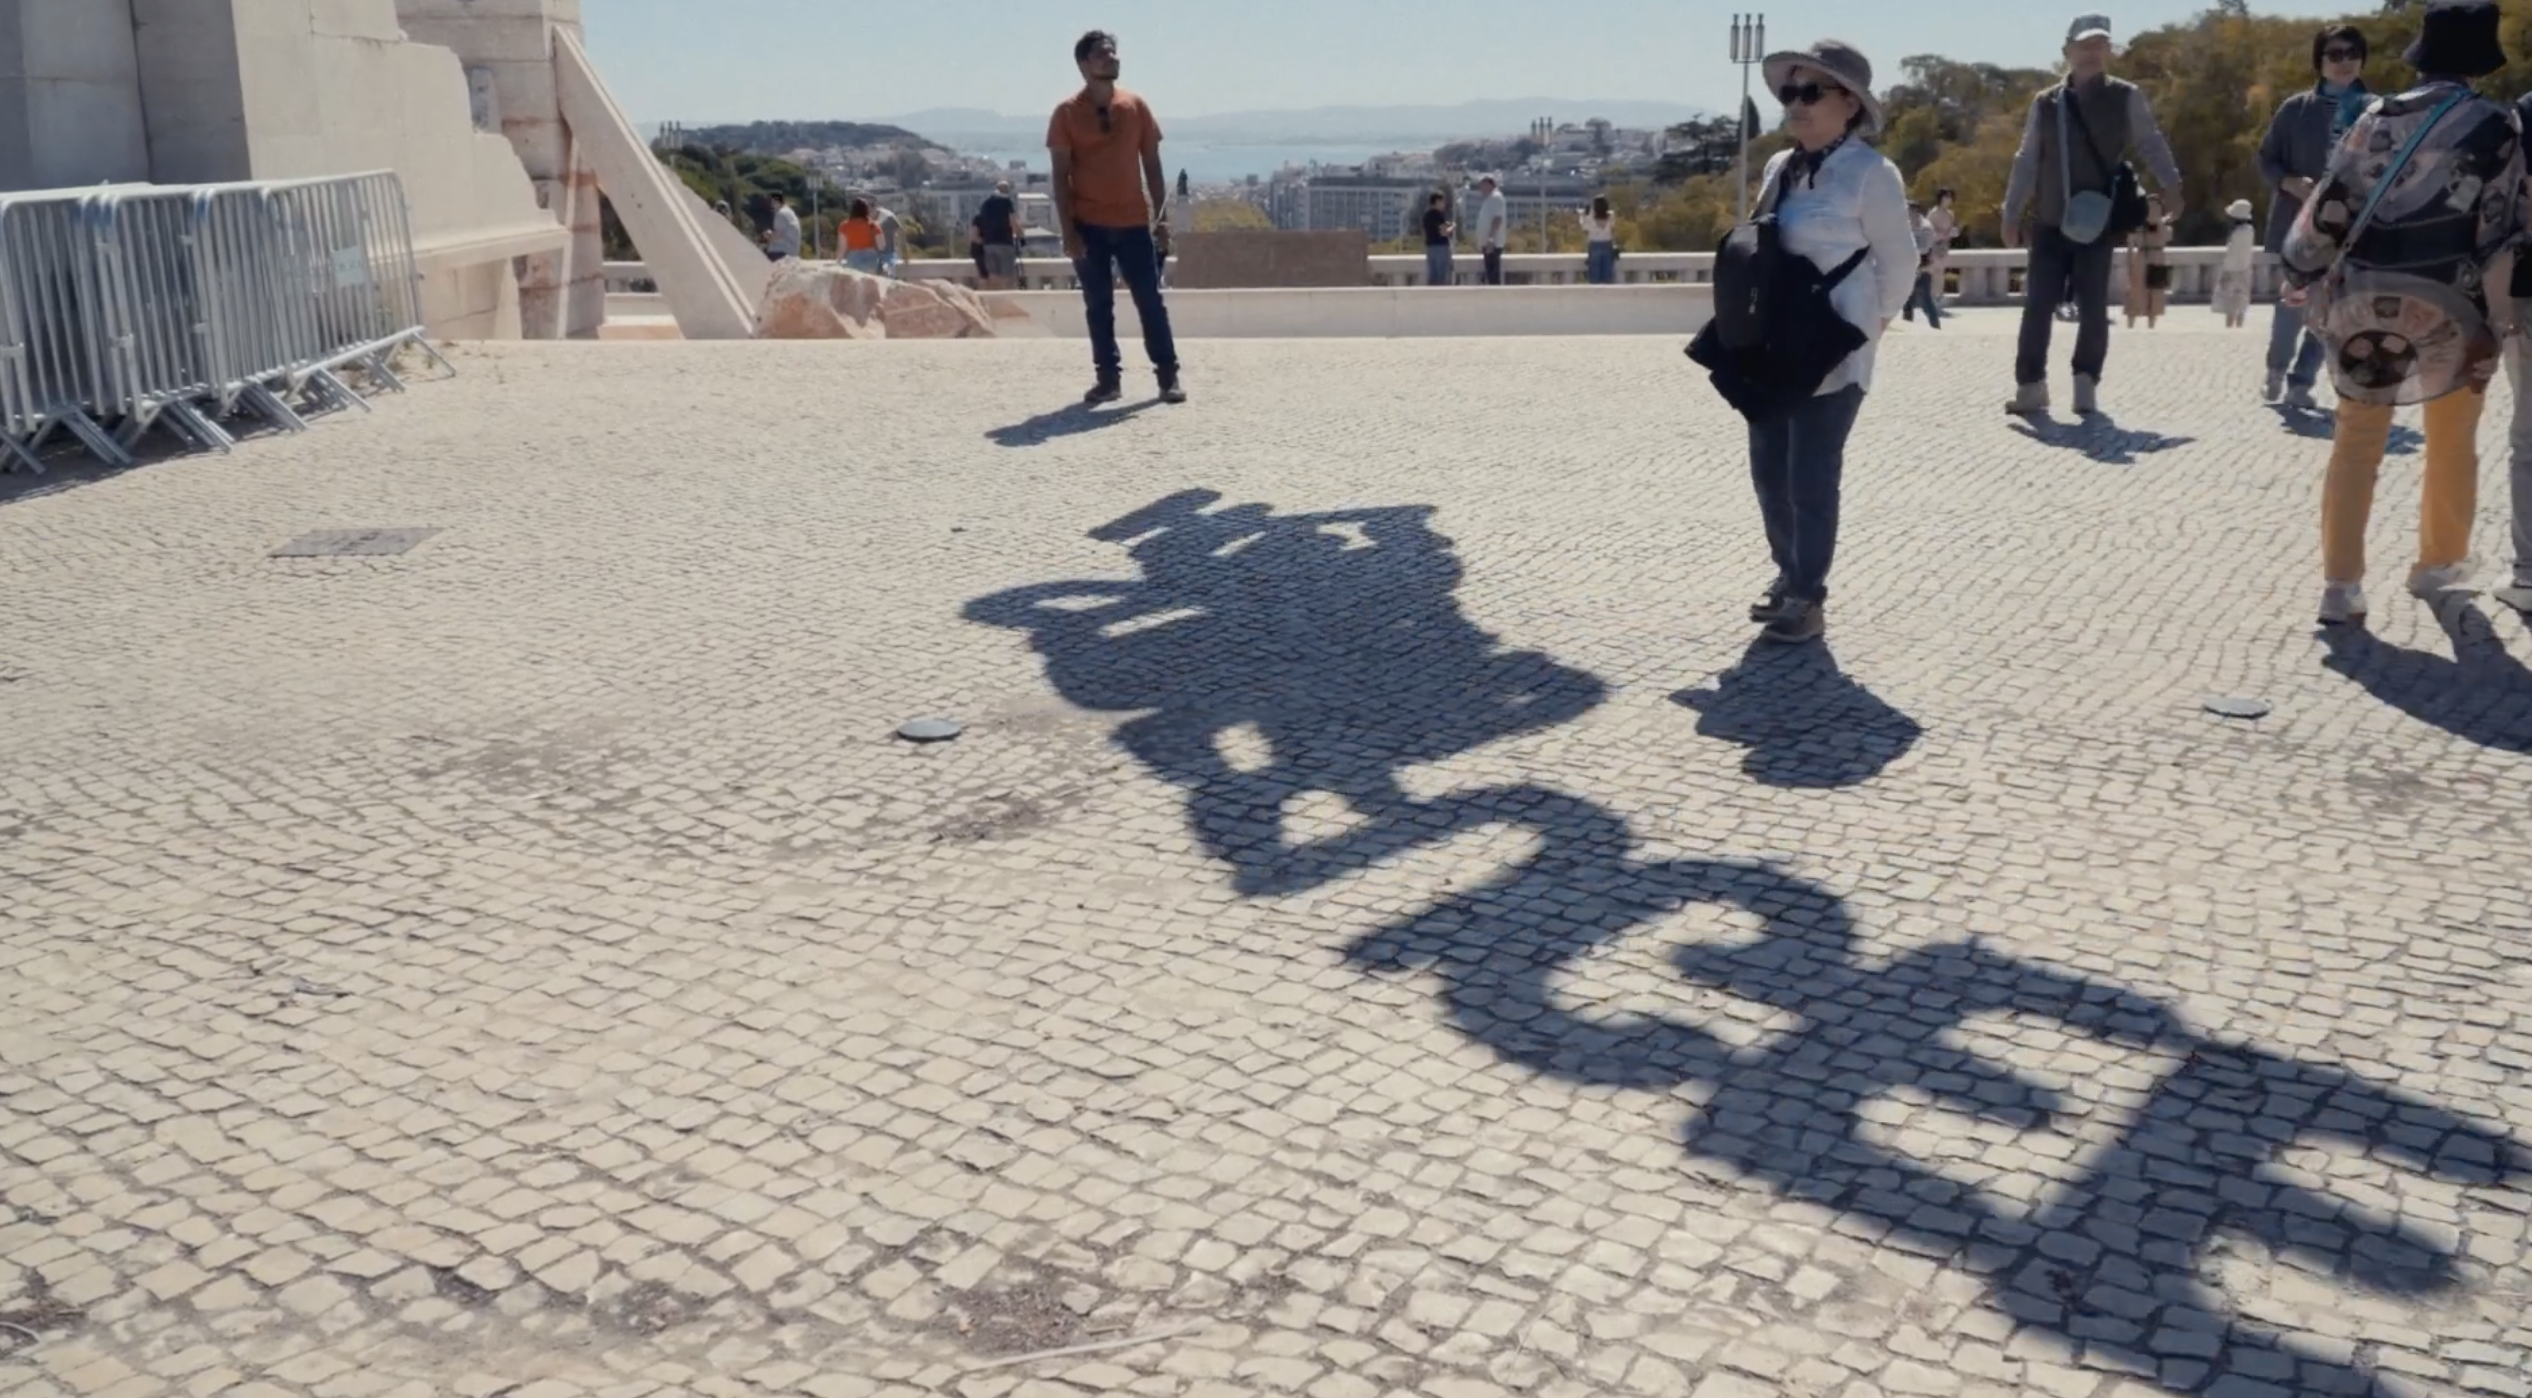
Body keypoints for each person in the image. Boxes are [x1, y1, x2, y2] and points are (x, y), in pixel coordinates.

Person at [2282, 0, 2523, 626]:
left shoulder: (2373, 117)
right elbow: (2501, 234)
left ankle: (2340, 585)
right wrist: (2499, 324)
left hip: (2366, 303)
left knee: (2357, 440)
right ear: (2480, 62)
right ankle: (2437, 564)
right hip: (2453, 307)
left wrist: (2301, 269)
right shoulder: (2495, 127)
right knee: (2452, 439)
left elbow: (2333, 203)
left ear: (2422, 57)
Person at [1739, 39, 1917, 646]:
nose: (1797, 103)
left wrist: (1872, 326)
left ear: (1850, 103)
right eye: (1791, 91)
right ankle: (1788, 573)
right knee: (1769, 472)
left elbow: (1900, 262)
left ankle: (1807, 596)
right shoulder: (1778, 168)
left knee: (1811, 475)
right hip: (1774, 345)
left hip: (1835, 349)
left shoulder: (1872, 173)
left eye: (1811, 91)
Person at [2003, 14, 2185, 417]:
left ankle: (2085, 383)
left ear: (2109, 51)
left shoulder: (2125, 96)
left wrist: (2172, 184)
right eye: (2085, 45)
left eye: (2100, 45)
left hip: (2096, 222)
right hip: (2049, 220)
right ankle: (2030, 385)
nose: (2092, 52)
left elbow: (2150, 141)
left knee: (2092, 308)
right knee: (2037, 306)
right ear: (2067, 51)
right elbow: (2027, 159)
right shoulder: (2046, 102)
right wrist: (2011, 212)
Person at [1049, 29, 1185, 405]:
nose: (1112, 58)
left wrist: (1161, 220)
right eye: (1102, 53)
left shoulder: (1135, 106)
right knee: (1098, 306)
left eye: (1113, 52)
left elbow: (1152, 166)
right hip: (1088, 223)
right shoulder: (1066, 113)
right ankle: (1108, 380)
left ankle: (1168, 377)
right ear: (1083, 64)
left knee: (1150, 301)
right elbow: (1060, 176)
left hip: (1133, 223)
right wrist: (1068, 231)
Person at [2259, 25, 2370, 410]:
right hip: (2297, 225)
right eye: (2335, 54)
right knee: (2290, 305)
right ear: (2319, 61)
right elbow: (2266, 158)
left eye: (2352, 53)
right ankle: (2276, 367)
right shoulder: (2296, 109)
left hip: (2351, 229)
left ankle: (2301, 381)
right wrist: (2288, 182)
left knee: (2333, 311)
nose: (2345, 62)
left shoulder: (2377, 111)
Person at [2123, 194, 2171, 329]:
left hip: (2158, 258)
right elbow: (2130, 245)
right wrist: (2129, 264)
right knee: (2135, 291)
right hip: (2141, 258)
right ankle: (2130, 325)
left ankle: (2151, 325)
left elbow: (2166, 238)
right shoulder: (2137, 226)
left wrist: (2160, 223)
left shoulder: (2164, 226)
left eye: (2156, 207)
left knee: (2156, 292)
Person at [2214, 198, 2257, 329]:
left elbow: (2232, 252)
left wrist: (2226, 270)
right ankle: (2239, 324)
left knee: (2230, 299)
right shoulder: (2250, 230)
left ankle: (2229, 325)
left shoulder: (2237, 233)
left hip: (2232, 269)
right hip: (2246, 268)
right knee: (2242, 298)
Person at [1901, 203, 1944, 327]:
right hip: (1909, 266)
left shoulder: (1925, 227)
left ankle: (1935, 325)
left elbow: (1925, 248)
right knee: (1907, 300)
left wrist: (1910, 250)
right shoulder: (1904, 225)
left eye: (1909, 211)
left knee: (1926, 299)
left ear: (1915, 211)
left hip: (1924, 267)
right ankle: (1907, 325)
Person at [975, 179, 1023, 289]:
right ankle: (1005, 294)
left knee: (993, 273)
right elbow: (1013, 222)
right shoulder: (1007, 203)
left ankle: (995, 293)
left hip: (988, 243)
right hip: (1004, 242)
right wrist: (1020, 235)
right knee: (1006, 274)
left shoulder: (986, 204)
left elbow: (980, 222)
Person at [1472, 175, 1510, 286]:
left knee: (1493, 273)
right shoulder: (1489, 199)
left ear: (1489, 185)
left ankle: (1495, 292)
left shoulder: (1496, 198)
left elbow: (1497, 219)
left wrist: (1491, 238)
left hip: (1493, 244)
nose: (1481, 189)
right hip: (1488, 244)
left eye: (1482, 186)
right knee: (1489, 272)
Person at [1925, 188, 1958, 307]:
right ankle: (1932, 297)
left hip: (1944, 246)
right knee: (1933, 271)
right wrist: (1940, 235)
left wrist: (1952, 233)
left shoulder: (1950, 214)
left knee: (1941, 272)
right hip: (1933, 245)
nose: (1948, 200)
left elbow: (1950, 229)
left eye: (1950, 197)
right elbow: (1928, 230)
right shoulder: (1933, 213)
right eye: (1946, 197)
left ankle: (1939, 296)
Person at [1582, 196, 1619, 284]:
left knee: (1594, 276)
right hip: (1607, 245)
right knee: (1607, 275)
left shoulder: (1590, 218)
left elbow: (1584, 229)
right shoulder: (1611, 217)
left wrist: (1585, 214)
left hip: (1594, 246)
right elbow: (1613, 232)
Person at [1422, 191, 1456, 286]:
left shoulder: (1426, 215)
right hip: (1441, 247)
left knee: (1433, 275)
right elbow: (1444, 232)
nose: (1444, 204)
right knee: (1442, 275)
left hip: (1430, 247)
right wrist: (1453, 227)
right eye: (1443, 201)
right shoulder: (1438, 215)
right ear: (1437, 202)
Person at [840, 200, 883, 273]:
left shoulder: (845, 225)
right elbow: (881, 246)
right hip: (871, 258)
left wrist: (838, 262)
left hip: (853, 257)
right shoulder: (873, 225)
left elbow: (842, 248)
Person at [764, 192, 802, 262]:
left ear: (777, 202)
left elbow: (777, 235)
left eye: (772, 203)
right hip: (793, 250)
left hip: (782, 251)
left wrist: (768, 235)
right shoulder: (790, 212)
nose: (771, 206)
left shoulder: (781, 214)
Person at [875, 204, 904, 277]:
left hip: (889, 252)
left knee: (891, 270)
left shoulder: (888, 217)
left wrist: (903, 250)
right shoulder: (866, 217)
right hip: (875, 252)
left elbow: (900, 231)